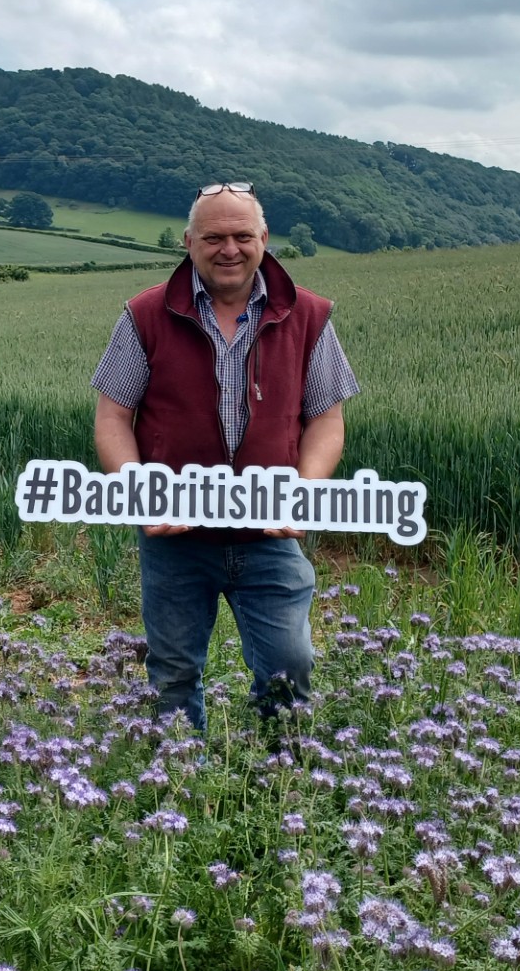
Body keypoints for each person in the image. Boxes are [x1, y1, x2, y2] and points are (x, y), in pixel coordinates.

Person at [91, 183, 359, 732]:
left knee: (290, 665)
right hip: (175, 538)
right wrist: (141, 497)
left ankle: (278, 780)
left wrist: (302, 496)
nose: (228, 249)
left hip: (270, 537)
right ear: (189, 242)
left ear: (264, 239)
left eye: (241, 236)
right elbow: (113, 417)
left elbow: (326, 421)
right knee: (172, 673)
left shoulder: (308, 316)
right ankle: (180, 784)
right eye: (213, 237)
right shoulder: (144, 315)